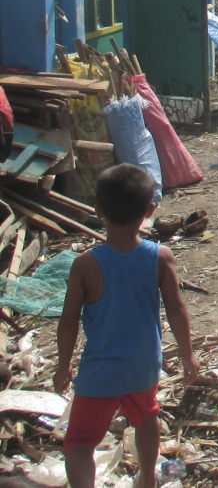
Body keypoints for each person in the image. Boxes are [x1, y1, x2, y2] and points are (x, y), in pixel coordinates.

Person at [55, 164, 199, 488]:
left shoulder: (86, 264)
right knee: (147, 416)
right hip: (142, 365)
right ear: (150, 210)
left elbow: (67, 324)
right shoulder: (160, 257)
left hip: (100, 370)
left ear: (98, 210)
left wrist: (62, 367)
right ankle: (147, 478)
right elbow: (177, 310)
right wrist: (189, 355)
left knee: (79, 444)